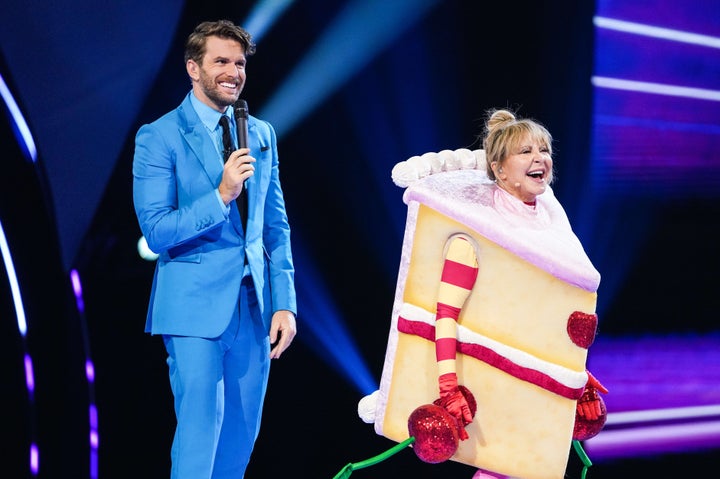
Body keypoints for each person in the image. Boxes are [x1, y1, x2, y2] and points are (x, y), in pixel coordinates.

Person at [132, 19, 297, 478]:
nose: (233, 71)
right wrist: (221, 194)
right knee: (201, 433)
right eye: (220, 61)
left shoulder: (260, 133)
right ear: (193, 68)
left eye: (239, 63)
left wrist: (285, 303)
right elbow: (157, 230)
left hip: (253, 306)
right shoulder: (159, 136)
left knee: (239, 443)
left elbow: (275, 226)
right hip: (193, 304)